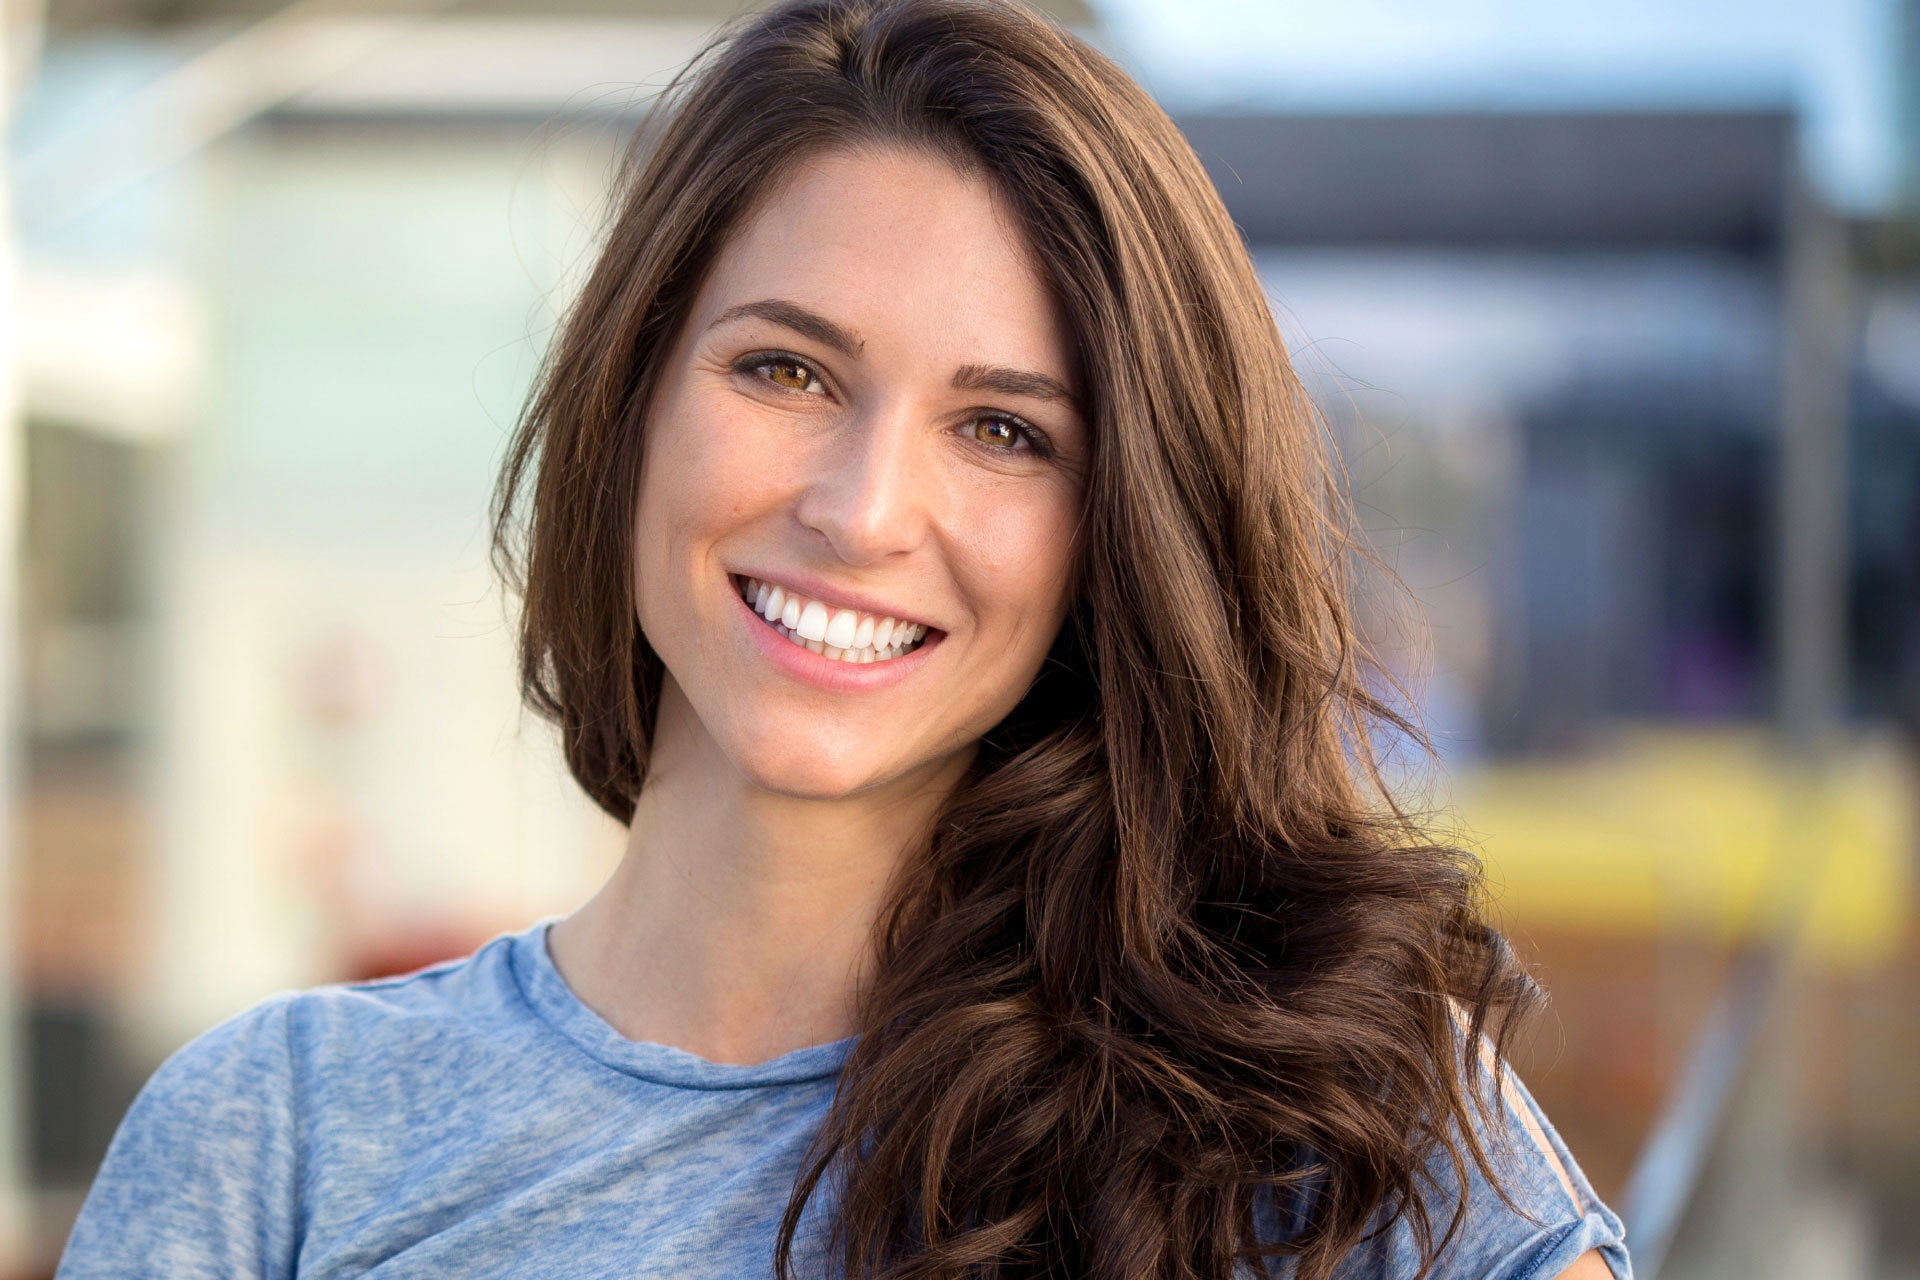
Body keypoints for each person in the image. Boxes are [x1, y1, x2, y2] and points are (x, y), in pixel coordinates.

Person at [58, 1, 1632, 1276]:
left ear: (1119, 535)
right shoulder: (279, 1137)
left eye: (1005, 431)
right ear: (636, 395)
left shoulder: (1315, 1115)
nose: (863, 508)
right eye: (788, 374)